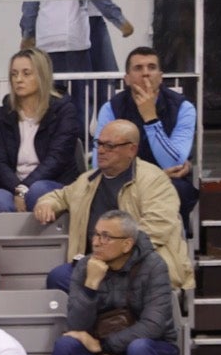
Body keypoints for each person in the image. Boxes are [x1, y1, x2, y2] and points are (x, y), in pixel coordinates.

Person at [36, 119, 193, 293]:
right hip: (95, 263)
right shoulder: (88, 180)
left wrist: (114, 253)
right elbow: (60, 196)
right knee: (58, 277)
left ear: (131, 149)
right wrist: (47, 203)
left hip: (137, 262)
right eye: (99, 144)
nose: (101, 151)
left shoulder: (154, 181)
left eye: (109, 146)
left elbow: (157, 228)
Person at [52, 210, 181, 355]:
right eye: (95, 234)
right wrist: (91, 285)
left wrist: (104, 345)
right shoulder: (86, 266)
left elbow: (153, 326)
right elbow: (76, 326)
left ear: (127, 244)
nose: (96, 242)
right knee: (65, 345)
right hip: (101, 347)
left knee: (139, 348)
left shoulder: (154, 266)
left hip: (153, 346)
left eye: (106, 237)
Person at [0, 48, 83, 236]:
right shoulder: (1, 115)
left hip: (53, 183)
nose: (18, 79)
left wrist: (25, 189)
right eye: (14, 74)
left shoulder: (64, 111)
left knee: (38, 192)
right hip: (10, 186)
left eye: (26, 73)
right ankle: (9, 253)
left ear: (42, 76)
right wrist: (18, 189)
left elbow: (57, 159)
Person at [94, 45, 199, 218]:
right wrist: (148, 178)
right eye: (138, 68)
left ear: (160, 76)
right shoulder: (111, 108)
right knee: (102, 189)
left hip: (168, 181)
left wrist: (151, 119)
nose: (145, 73)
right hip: (124, 180)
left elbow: (173, 163)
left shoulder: (183, 108)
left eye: (151, 67)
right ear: (127, 79)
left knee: (175, 189)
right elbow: (101, 161)